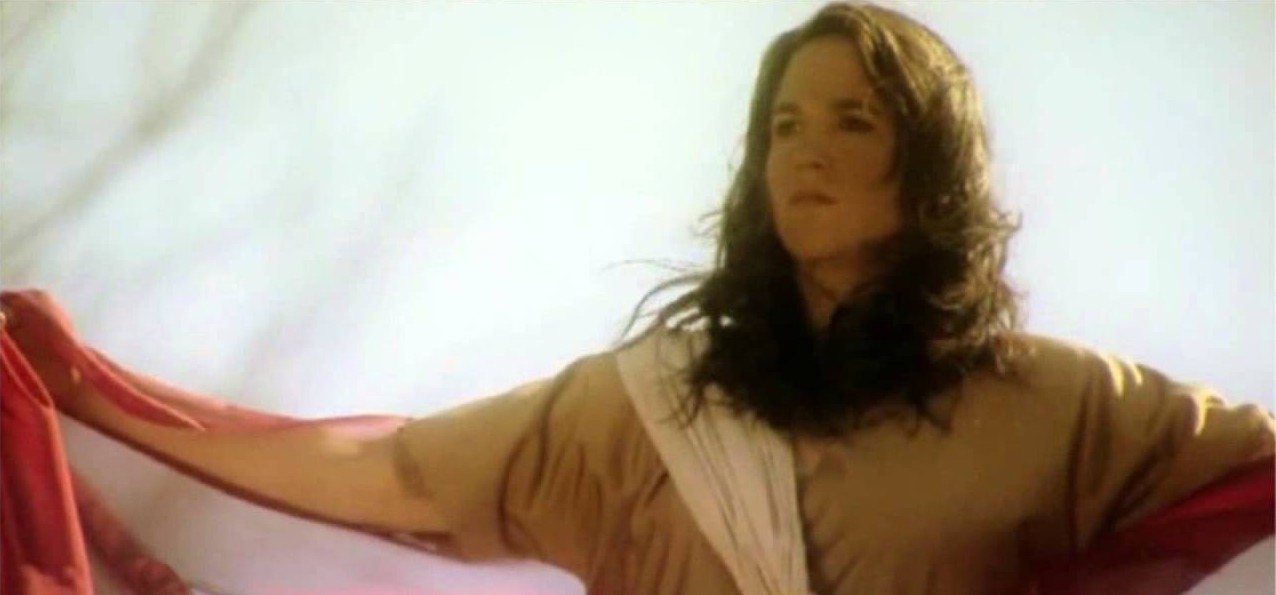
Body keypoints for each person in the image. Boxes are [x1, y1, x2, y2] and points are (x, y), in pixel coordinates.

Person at [4, 2, 1273, 594]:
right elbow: (391, 478)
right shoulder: (652, 406)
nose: (805, 153)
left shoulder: (1056, 405)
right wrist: (97, 397)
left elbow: (1254, 497)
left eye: (852, 120)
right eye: (784, 124)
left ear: (932, 162)